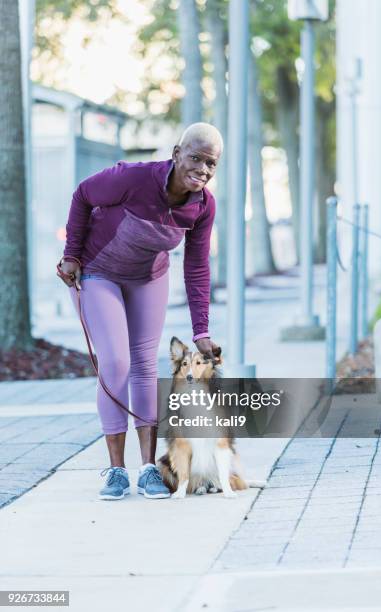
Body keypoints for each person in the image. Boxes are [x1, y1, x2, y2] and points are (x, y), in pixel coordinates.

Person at [58, 122, 223, 500]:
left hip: (147, 278)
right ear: (176, 152)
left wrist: (201, 332)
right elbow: (83, 196)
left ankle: (148, 468)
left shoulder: (203, 206)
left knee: (145, 364)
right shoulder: (133, 178)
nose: (202, 169)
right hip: (98, 272)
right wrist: (71, 256)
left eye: (210, 163)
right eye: (195, 158)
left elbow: (196, 267)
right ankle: (116, 470)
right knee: (116, 363)